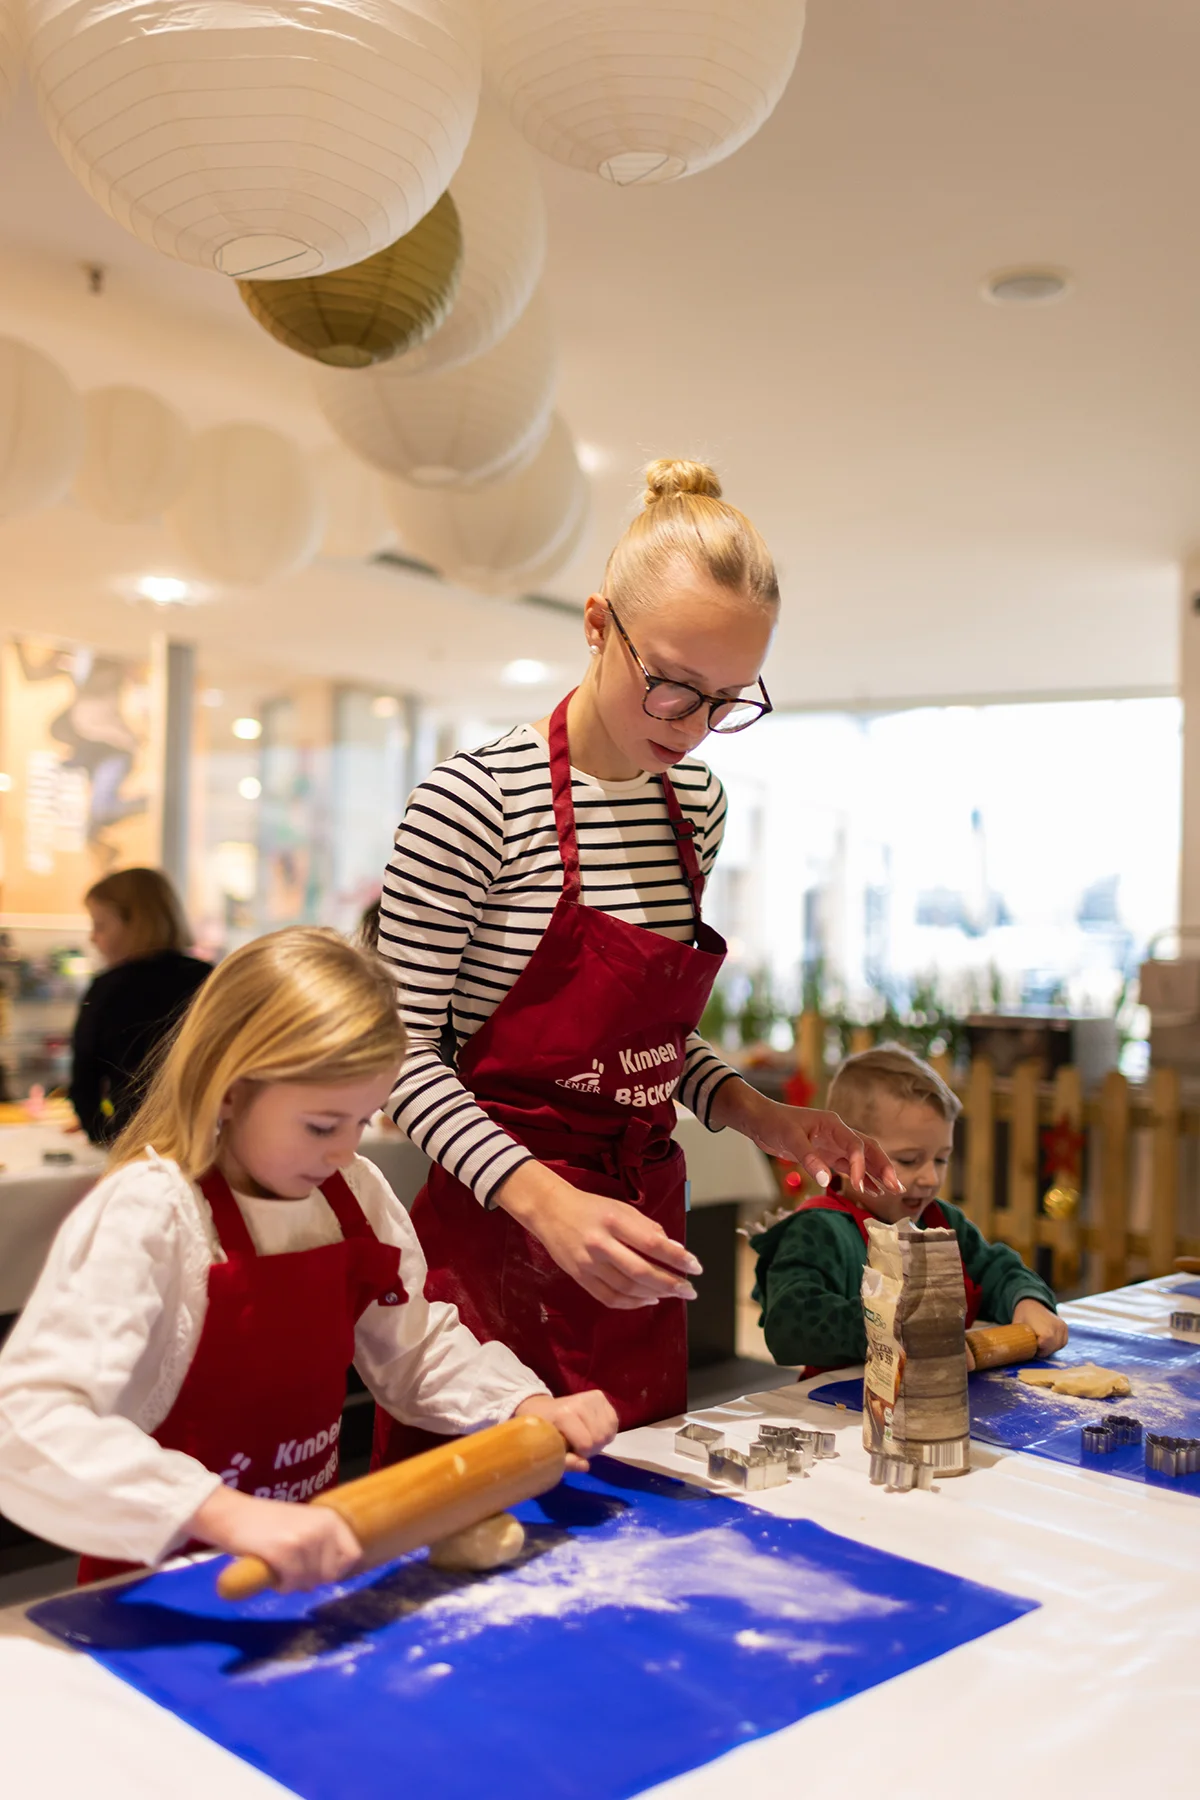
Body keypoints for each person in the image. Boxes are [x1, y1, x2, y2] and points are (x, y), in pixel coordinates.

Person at [375, 458, 902, 1458]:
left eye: (727, 701)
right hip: (499, 1238)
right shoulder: (473, 805)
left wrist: (757, 1114)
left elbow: (645, 1043)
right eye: (670, 685)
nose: (693, 729)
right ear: (594, 625)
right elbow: (398, 1060)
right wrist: (543, 1200)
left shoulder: (692, 809)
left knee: (631, 1545)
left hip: (636, 1239)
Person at [0, 929, 615, 1590]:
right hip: (160, 1580)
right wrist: (222, 1513)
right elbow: (29, 1417)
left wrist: (520, 1403)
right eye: (322, 1125)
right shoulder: (152, 1213)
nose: (343, 1151)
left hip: (300, 1562)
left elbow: (413, 1348)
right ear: (229, 1088)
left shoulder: (351, 1195)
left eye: (362, 1120)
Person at [751, 1043, 1068, 1377]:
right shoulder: (817, 1231)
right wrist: (894, 1328)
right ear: (841, 1154)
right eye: (908, 1160)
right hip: (842, 1412)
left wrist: (1027, 1301)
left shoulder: (942, 1221)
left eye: (941, 1158)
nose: (930, 1178)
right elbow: (789, 1325)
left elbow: (998, 1272)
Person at [69, 867, 211, 1143]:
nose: (92, 938)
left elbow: (84, 1081)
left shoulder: (109, 988)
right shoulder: (209, 977)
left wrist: (103, 1134)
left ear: (135, 923)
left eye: (100, 925)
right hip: (205, 1135)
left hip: (137, 1138)